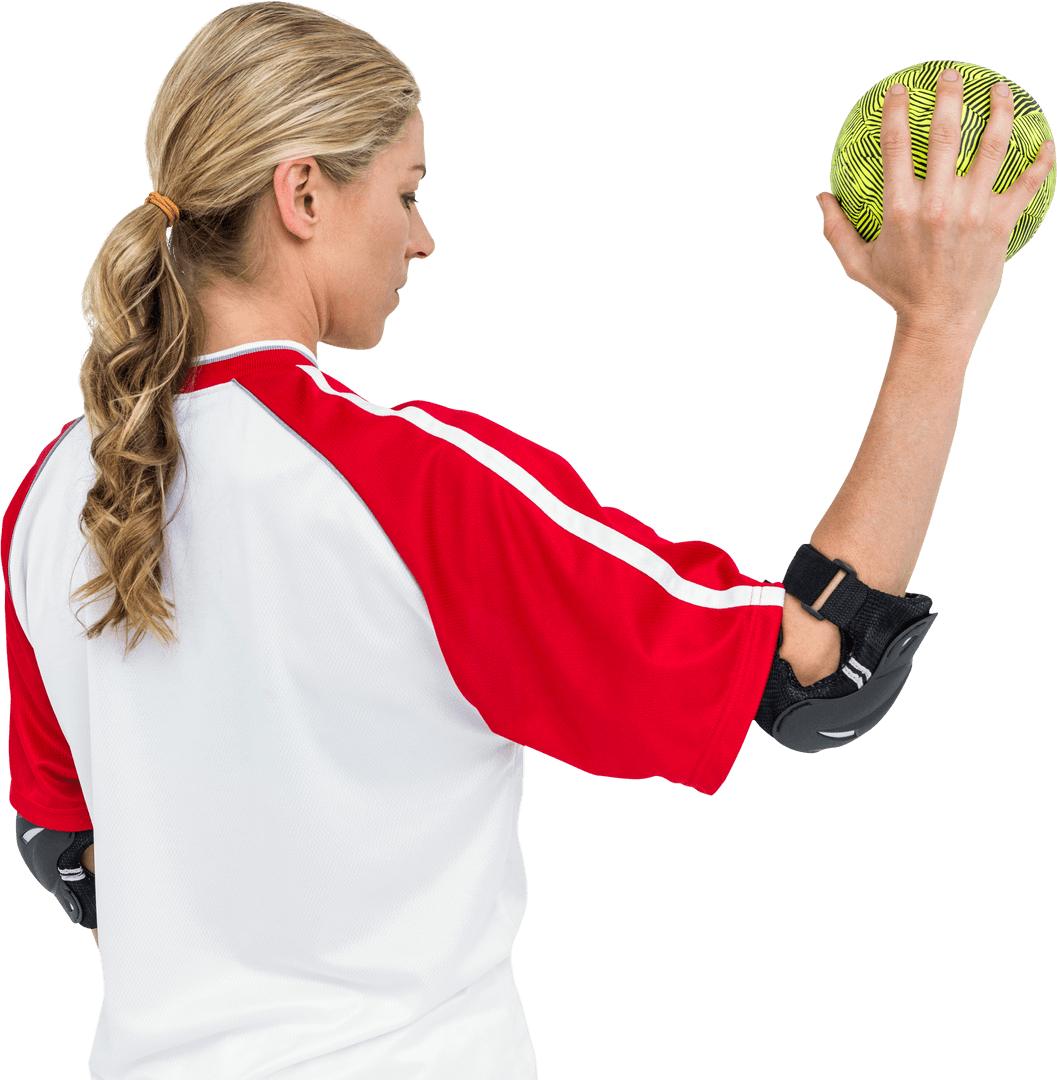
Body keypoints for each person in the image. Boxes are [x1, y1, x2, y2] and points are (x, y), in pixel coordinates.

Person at [5, 4, 1054, 1078]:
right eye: (407, 193)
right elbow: (817, 676)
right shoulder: (413, 487)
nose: (422, 236)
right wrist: (939, 327)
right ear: (303, 192)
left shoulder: (48, 499)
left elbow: (68, 855)